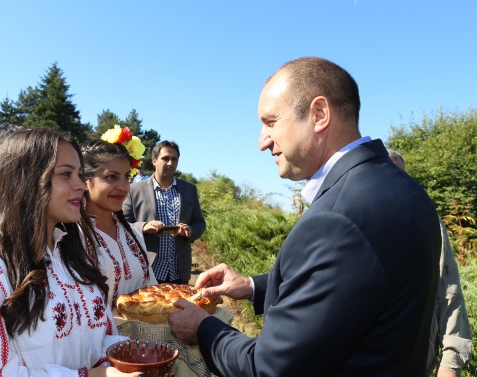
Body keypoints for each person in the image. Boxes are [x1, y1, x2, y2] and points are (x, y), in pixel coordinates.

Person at [168, 57, 442, 376]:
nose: (262, 142)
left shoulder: (338, 218)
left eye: (271, 122)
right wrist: (252, 286)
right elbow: (349, 287)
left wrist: (203, 328)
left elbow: (271, 368)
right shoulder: (407, 191)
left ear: (319, 114)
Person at [0, 128, 142, 376]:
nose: (80, 185)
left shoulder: (74, 258)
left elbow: (102, 338)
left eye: (79, 174)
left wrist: (131, 360)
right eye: (66, 174)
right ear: (26, 179)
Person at [387, 148, 473, 377]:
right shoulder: (352, 223)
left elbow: (450, 291)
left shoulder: (429, 223)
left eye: (403, 180)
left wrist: (450, 363)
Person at [80, 127, 157, 308]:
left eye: (126, 177)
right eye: (111, 177)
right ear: (85, 180)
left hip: (142, 333)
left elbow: (151, 290)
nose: (123, 187)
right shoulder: (71, 237)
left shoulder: (132, 235)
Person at [122, 140, 206, 285]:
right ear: (154, 161)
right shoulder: (135, 190)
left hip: (179, 272)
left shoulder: (189, 190)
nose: (170, 163)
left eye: (174, 159)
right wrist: (143, 227)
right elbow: (121, 224)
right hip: (148, 270)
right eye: (165, 158)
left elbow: (200, 222)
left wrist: (189, 230)